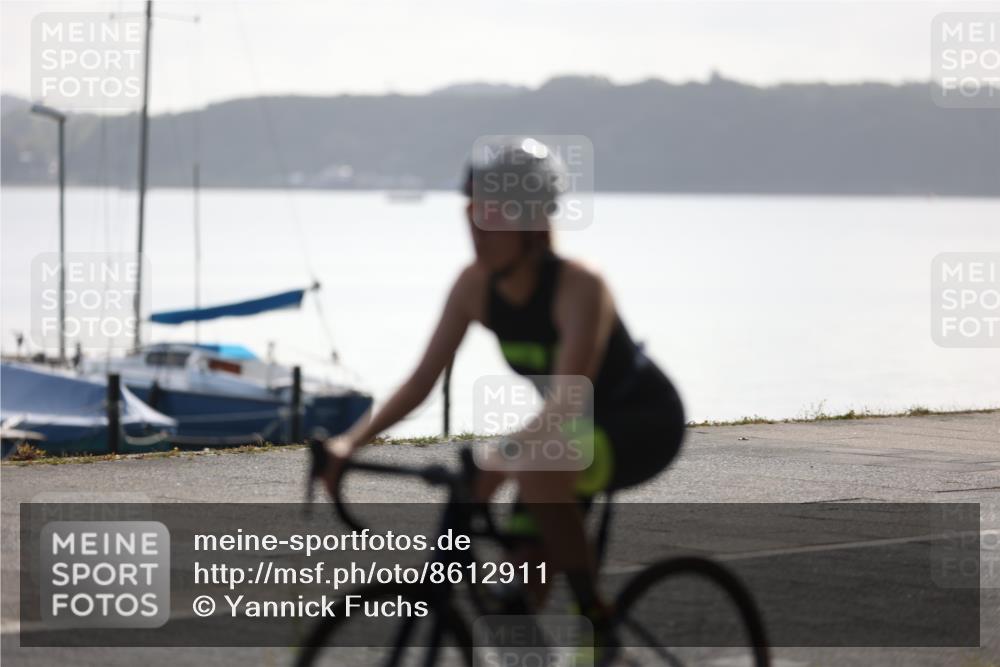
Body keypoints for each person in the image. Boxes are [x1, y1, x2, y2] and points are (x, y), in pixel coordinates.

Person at [322, 137, 685, 647]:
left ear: (534, 221)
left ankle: (597, 621)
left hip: (641, 426)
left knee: (535, 467)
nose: (475, 223)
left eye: (492, 211)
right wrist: (349, 443)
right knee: (514, 607)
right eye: (471, 208)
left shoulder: (580, 286)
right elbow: (420, 382)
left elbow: (567, 401)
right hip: (563, 441)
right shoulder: (474, 287)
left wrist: (505, 455)